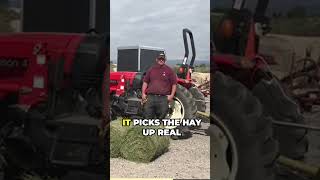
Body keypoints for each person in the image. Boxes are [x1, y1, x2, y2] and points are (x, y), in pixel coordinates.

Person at [141, 53, 177, 120]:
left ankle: (158, 128)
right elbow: (145, 82)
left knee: (161, 117)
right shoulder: (151, 69)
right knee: (147, 115)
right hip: (150, 97)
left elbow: (174, 84)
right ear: (156, 59)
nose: (161, 60)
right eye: (160, 59)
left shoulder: (169, 70)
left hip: (163, 98)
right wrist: (143, 93)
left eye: (162, 59)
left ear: (165, 60)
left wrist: (171, 95)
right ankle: (149, 128)